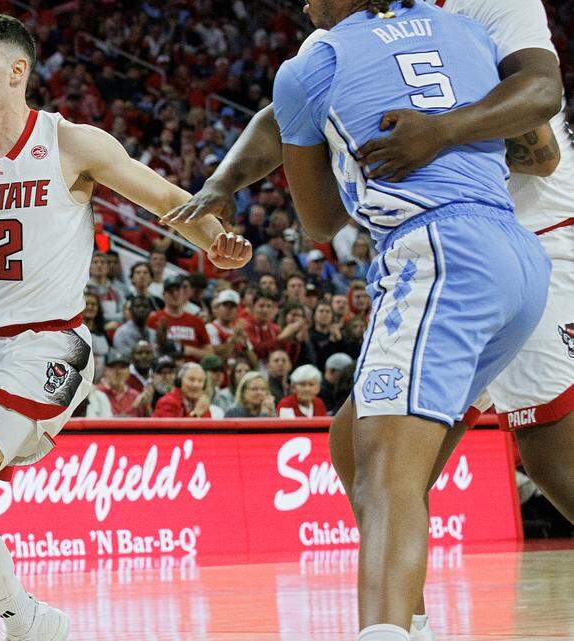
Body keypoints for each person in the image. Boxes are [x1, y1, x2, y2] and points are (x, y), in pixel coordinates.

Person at [0, 13, 250, 641]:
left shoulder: (70, 143)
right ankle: (27, 620)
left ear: (17, 71)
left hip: (50, 342)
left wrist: (215, 239)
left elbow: (169, 201)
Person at [168, 2, 554, 639]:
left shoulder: (315, 63)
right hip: (517, 259)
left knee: (383, 476)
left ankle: (389, 631)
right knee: (353, 443)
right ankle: (416, 619)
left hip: (439, 255)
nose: (302, 4)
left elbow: (321, 222)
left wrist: (329, 146)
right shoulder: (462, 30)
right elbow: (539, 150)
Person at [152, 362, 224, 419]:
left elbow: (208, 432)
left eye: (200, 381)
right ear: (179, 381)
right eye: (191, 379)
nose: (196, 385)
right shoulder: (167, 402)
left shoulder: (200, 402)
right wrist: (196, 413)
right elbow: (171, 434)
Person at [94, 350, 151, 417]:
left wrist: (147, 406)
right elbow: (104, 423)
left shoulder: (135, 395)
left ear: (129, 371)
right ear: (105, 370)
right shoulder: (96, 393)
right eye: (113, 367)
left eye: (122, 367)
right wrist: (134, 407)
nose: (118, 372)